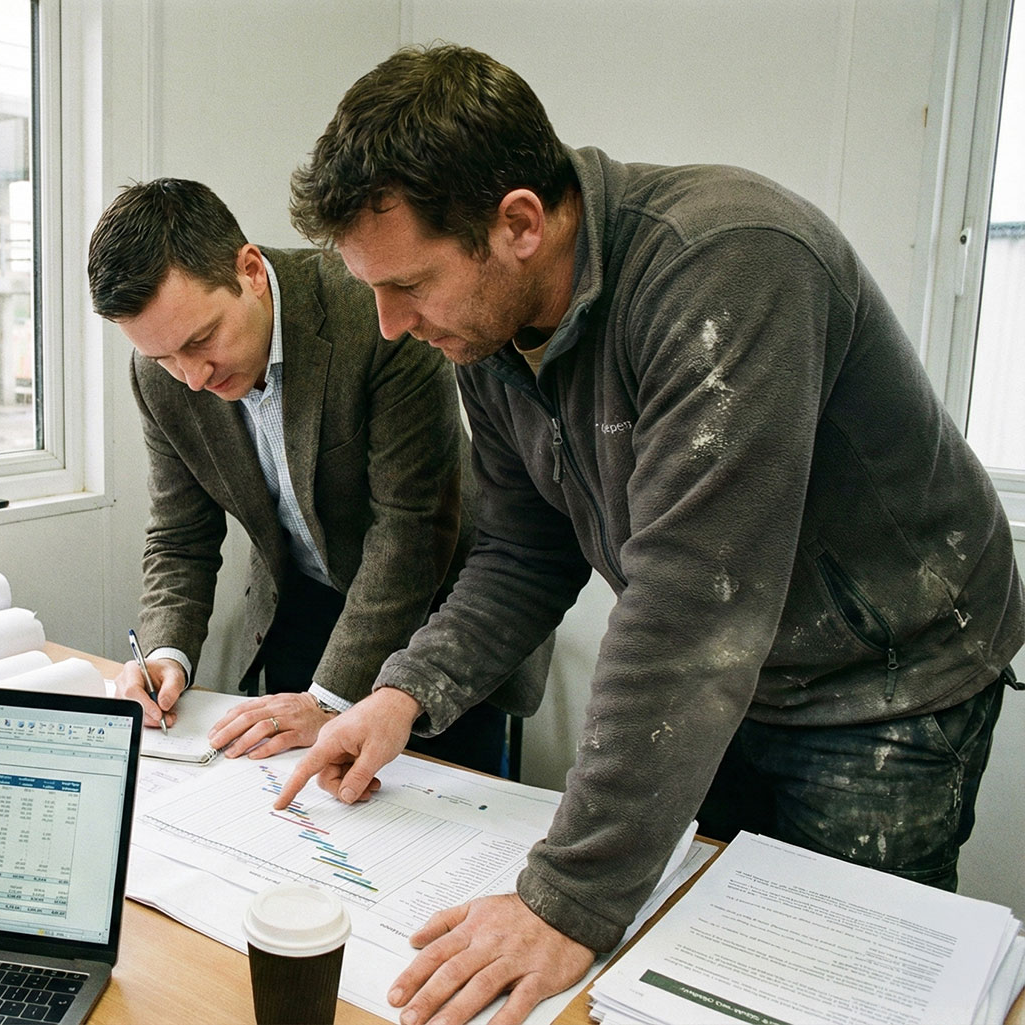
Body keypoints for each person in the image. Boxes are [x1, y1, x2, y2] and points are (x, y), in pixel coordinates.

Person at [276, 43, 1025, 1025]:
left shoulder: (730, 266)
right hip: (732, 676)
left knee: (824, 987)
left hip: (882, 681)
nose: (386, 324)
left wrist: (563, 896)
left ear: (518, 223)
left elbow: (686, 609)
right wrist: (406, 690)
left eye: (408, 284)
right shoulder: (486, 334)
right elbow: (519, 552)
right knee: (688, 961)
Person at [87, 178, 541, 775]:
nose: (191, 377)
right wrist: (165, 651)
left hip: (436, 606)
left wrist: (329, 699)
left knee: (427, 804)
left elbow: (411, 529)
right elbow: (179, 534)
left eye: (201, 340)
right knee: (291, 789)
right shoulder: (160, 376)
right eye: (164, 357)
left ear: (249, 270)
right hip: (300, 597)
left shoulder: (376, 312)